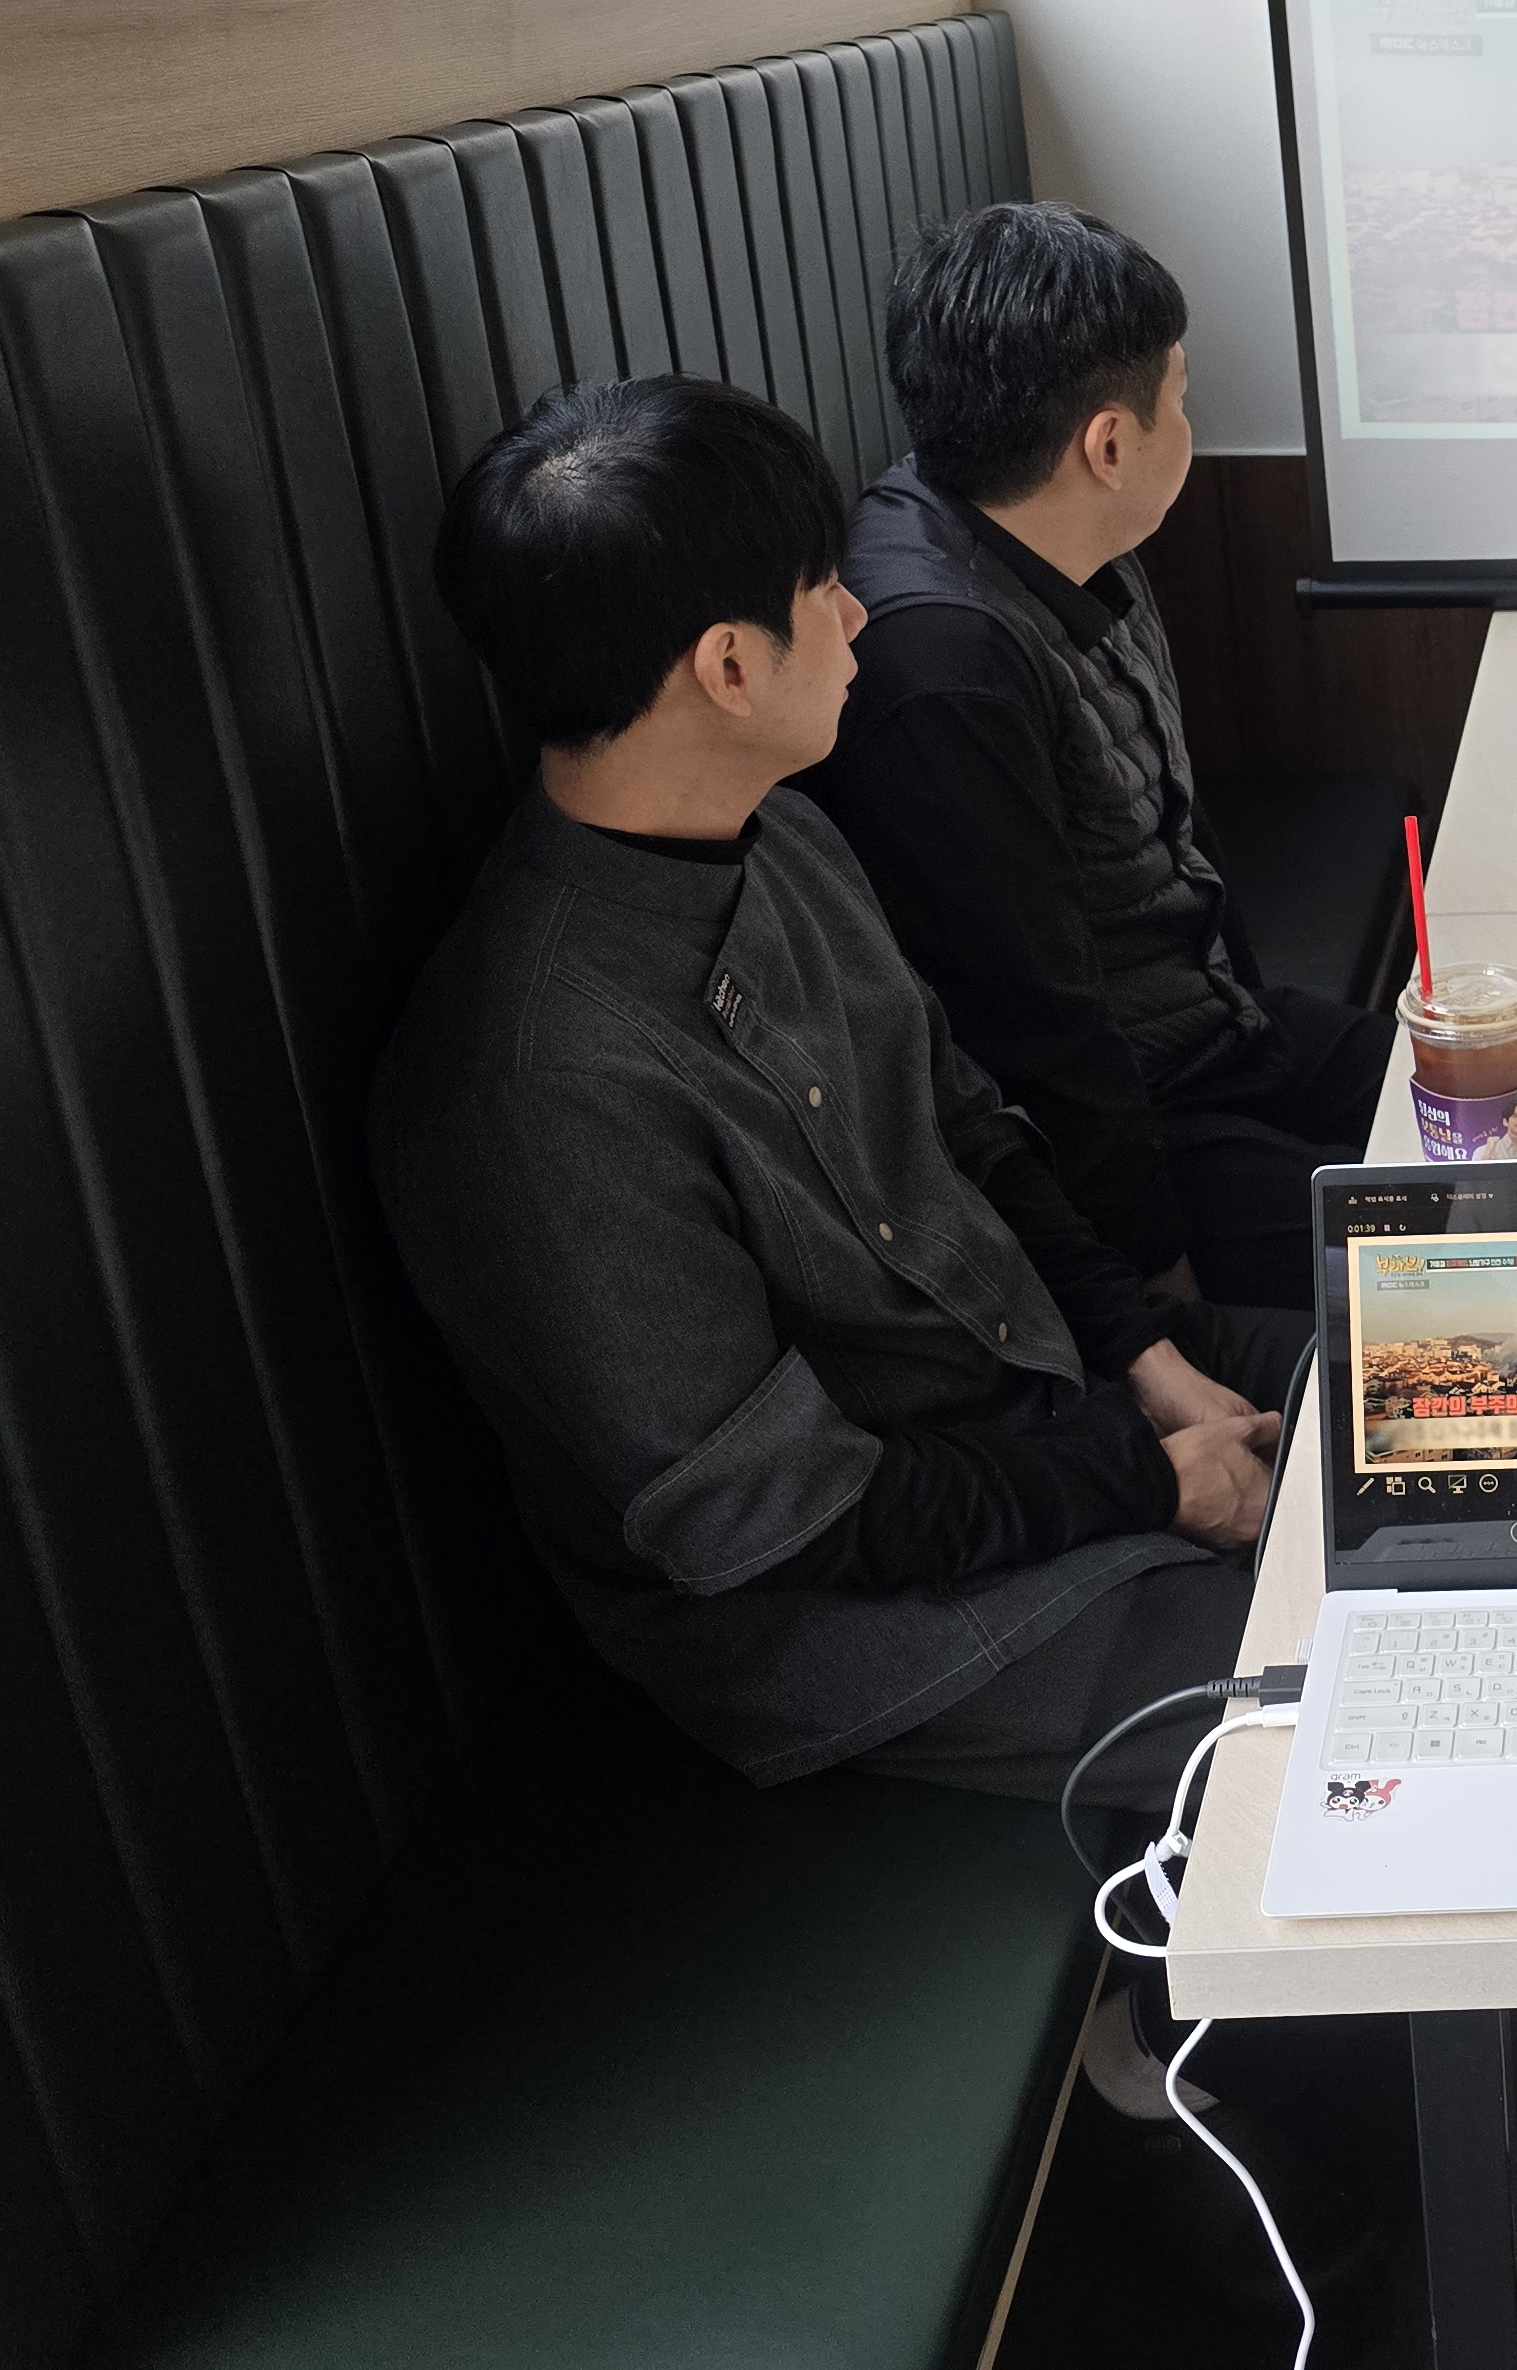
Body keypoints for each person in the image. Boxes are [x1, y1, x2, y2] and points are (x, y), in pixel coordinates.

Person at [371, 376, 1297, 1803]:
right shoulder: (538, 1085)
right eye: (823, 591)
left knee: (1499, 1384)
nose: (860, 615)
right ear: (730, 668)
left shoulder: (785, 836)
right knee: (1398, 1699)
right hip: (881, 1612)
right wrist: (1149, 1477)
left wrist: (1147, 1359)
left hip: (1052, 1389)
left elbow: (975, 1128)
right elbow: (776, 1515)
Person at [807, 202, 1390, 1312]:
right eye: (1183, 397)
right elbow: (1032, 1026)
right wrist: (1149, 1271)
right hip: (1148, 1125)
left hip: (1221, 1026)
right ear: (1110, 446)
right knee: (1468, 1258)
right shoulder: (944, 667)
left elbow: (1170, 840)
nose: (1191, 423)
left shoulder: (1056, 525)